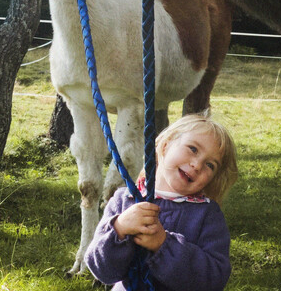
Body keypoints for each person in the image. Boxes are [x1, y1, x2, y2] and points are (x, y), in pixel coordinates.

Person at [83, 114, 239, 291]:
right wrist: (119, 228)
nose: (197, 164)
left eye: (210, 165)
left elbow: (214, 280)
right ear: (166, 145)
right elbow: (103, 271)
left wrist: (164, 246)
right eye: (193, 149)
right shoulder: (124, 200)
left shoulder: (207, 215)